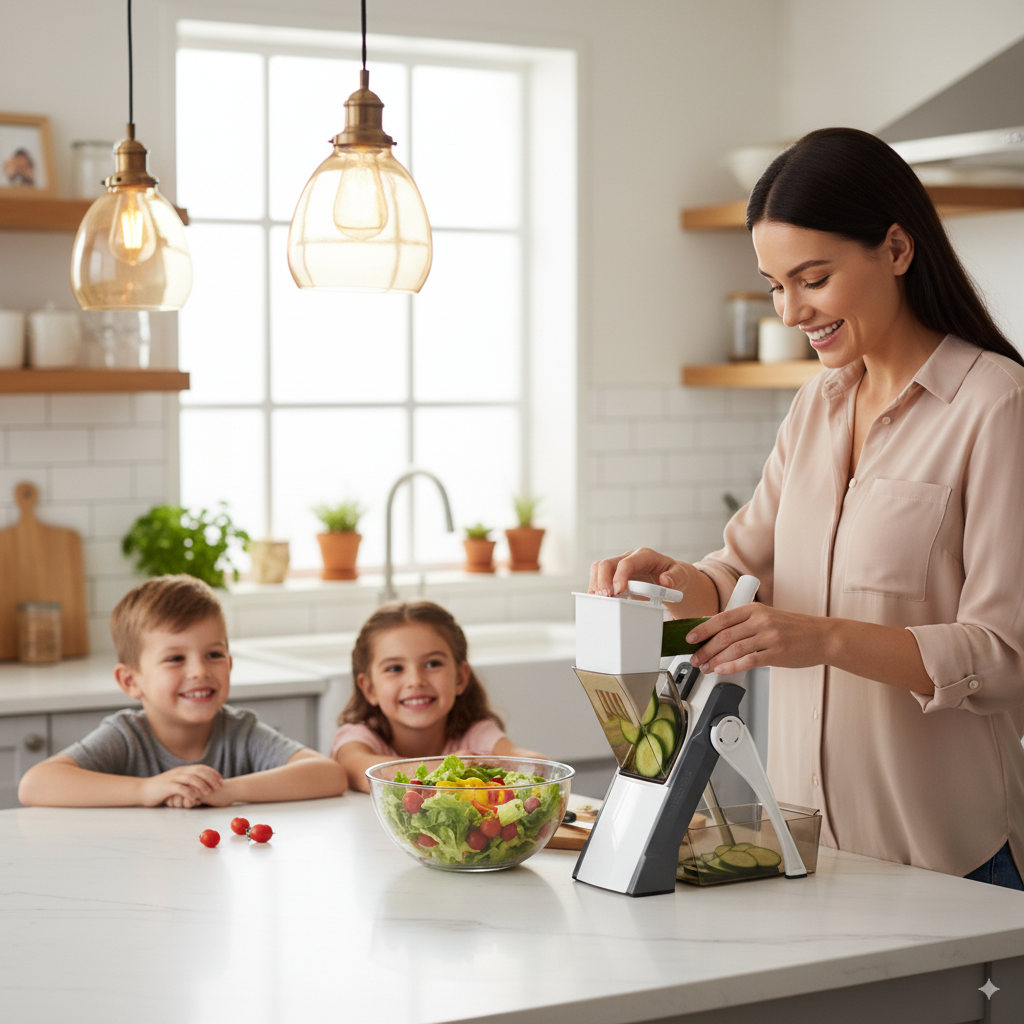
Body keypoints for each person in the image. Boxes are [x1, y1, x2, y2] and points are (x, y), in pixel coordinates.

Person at [591, 127, 1024, 889]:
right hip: (802, 850)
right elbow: (739, 574)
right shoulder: (816, 406)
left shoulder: (997, 406)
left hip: (952, 856)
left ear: (895, 248)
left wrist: (822, 638)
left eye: (812, 278)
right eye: (773, 285)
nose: (791, 311)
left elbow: (1003, 654)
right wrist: (671, 585)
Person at [18, 575, 348, 807]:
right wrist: (146, 790)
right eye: (175, 658)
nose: (199, 671)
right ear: (131, 681)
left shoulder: (240, 732)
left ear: (229, 665)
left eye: (214, 655)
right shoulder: (126, 737)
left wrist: (228, 790)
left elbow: (329, 775)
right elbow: (35, 785)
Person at [333, 600, 541, 792]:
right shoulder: (359, 737)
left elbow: (534, 765)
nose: (415, 681)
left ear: (459, 678)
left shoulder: (476, 735)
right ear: (369, 689)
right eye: (395, 668)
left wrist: (524, 767)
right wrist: (448, 768)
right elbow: (358, 769)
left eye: (433, 664)